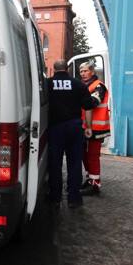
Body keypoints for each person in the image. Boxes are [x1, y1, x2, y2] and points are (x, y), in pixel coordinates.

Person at [47, 59, 100, 209]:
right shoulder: (78, 84)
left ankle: (55, 197)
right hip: (74, 128)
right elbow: (88, 106)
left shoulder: (48, 84)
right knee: (75, 163)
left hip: (55, 128)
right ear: (67, 69)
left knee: (55, 163)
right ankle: (74, 198)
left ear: (54, 69)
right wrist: (88, 127)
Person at [79, 62, 111, 196]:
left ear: (92, 71)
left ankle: (95, 184)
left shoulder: (99, 86)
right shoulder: (85, 85)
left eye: (85, 71)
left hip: (96, 128)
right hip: (86, 126)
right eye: (81, 71)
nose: (83, 74)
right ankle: (90, 178)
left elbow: (93, 103)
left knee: (92, 155)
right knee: (84, 154)